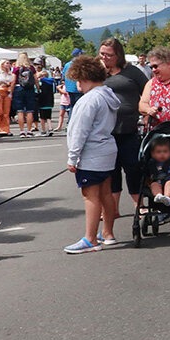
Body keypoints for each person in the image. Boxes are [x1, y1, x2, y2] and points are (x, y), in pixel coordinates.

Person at [64, 55, 121, 253]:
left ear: (85, 77)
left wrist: (72, 158)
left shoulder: (89, 100)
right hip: (107, 150)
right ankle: (108, 233)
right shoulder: (107, 94)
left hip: (92, 153)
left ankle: (90, 239)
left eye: (78, 80)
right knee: (106, 193)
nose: (78, 85)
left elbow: (79, 131)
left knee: (90, 196)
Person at [100, 37, 148, 212]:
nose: (105, 58)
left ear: (118, 55)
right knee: (111, 171)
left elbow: (148, 90)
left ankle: (139, 205)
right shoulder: (98, 72)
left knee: (133, 167)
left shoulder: (132, 71)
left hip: (128, 129)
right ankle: (113, 209)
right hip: (105, 131)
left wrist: (146, 110)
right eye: (102, 54)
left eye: (109, 55)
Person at [11, 53, 38, 138]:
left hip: (19, 89)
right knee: (30, 111)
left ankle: (22, 131)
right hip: (29, 89)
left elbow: (13, 80)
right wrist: (38, 88)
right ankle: (29, 130)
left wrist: (11, 91)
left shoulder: (16, 69)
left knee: (20, 111)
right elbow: (36, 79)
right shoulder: (31, 68)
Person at [36, 62, 56, 137]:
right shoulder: (51, 82)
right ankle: (50, 128)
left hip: (42, 101)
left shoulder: (40, 82)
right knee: (48, 117)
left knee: (42, 117)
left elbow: (37, 90)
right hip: (50, 101)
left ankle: (43, 130)